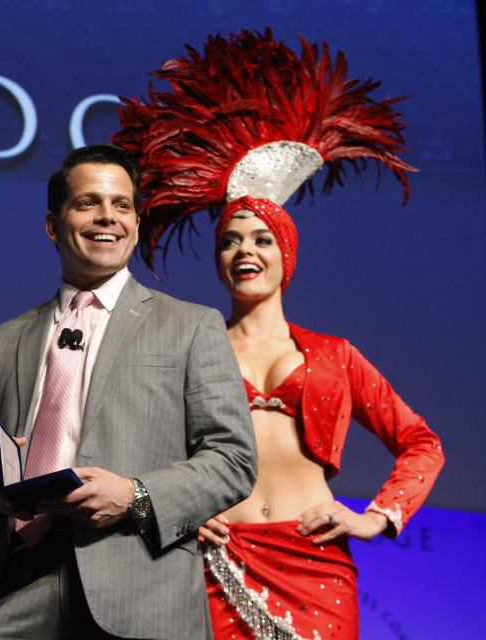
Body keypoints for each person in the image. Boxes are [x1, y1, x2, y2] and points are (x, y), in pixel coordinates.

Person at [113, 28, 445, 640]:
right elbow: (133, 446)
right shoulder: (190, 346)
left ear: (286, 253)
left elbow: (422, 443)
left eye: (261, 239)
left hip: (315, 568)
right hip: (214, 561)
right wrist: (177, 511)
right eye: (230, 241)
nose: (245, 250)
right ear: (217, 260)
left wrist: (377, 516)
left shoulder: (335, 355)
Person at [0, 144, 257, 639]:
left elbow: (233, 460)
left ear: (136, 222)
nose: (107, 216)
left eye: (122, 204)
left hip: (141, 593)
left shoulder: (192, 326)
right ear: (53, 224)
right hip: (10, 591)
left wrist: (136, 495)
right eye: (87, 202)